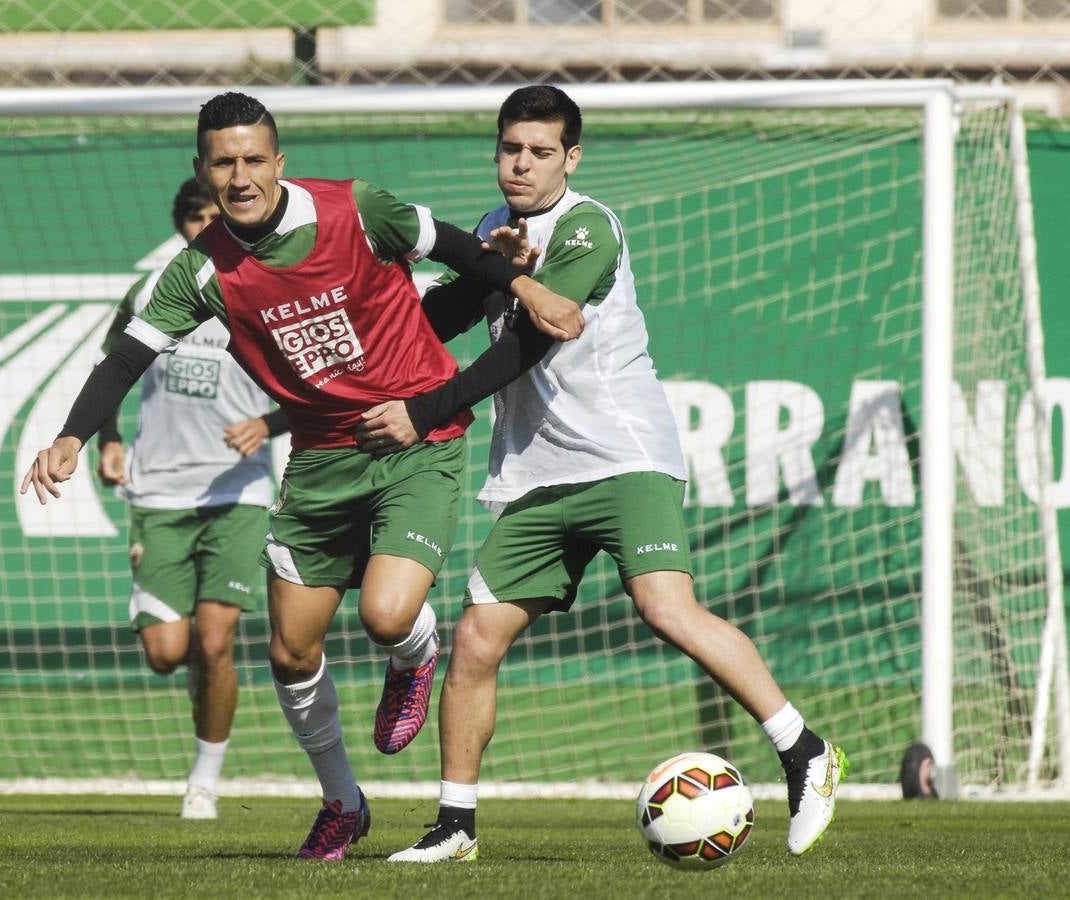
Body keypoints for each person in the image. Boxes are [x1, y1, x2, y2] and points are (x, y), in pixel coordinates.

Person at [20, 91, 585, 860]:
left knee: (386, 616)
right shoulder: (201, 273)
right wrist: (72, 436)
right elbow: (126, 355)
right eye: (225, 162)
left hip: (416, 439)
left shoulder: (354, 209)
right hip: (320, 462)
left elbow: (454, 246)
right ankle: (343, 803)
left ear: (279, 162)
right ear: (204, 171)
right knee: (289, 651)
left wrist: (526, 285)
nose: (241, 175)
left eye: (255, 158)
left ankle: (413, 656)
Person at [351, 85, 846, 863]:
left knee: (664, 609)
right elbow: (442, 320)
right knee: (478, 637)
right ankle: (455, 825)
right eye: (510, 147)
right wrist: (419, 296)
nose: (521, 163)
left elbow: (531, 345)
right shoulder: (491, 228)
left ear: (570, 158)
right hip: (538, 473)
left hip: (622, 455)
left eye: (540, 151)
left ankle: (804, 751)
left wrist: (426, 409)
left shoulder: (587, 226)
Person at [95, 178, 287, 821]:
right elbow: (112, 370)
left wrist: (270, 425)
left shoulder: (267, 283)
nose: (211, 224)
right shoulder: (153, 289)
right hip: (159, 490)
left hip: (238, 487)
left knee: (214, 641)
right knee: (166, 654)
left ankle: (204, 780)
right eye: (199, 216)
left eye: (219, 213)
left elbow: (315, 377)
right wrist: (108, 440)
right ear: (182, 223)